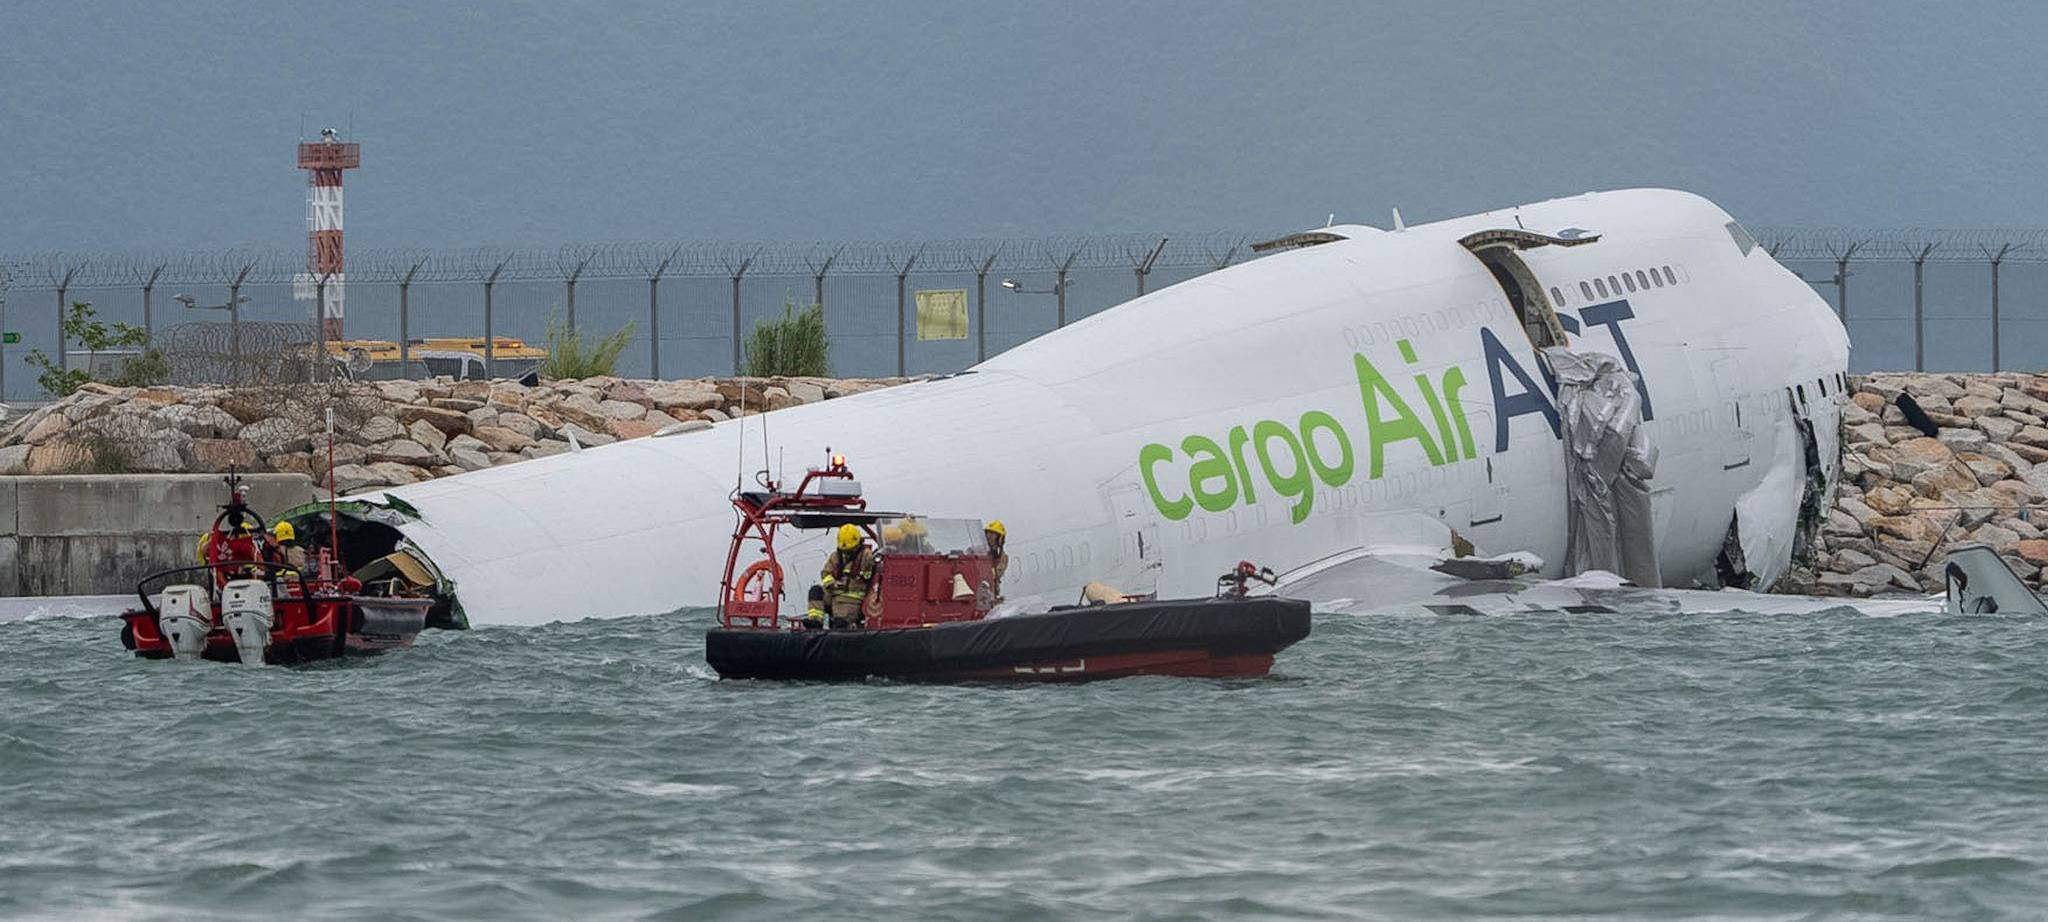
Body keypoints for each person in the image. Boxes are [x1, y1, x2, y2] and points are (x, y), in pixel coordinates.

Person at [819, 524, 875, 629]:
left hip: (851, 600)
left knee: (840, 624)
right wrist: (832, 583)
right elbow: (825, 573)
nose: (846, 554)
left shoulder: (865, 556)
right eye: (843, 551)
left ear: (858, 545)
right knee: (816, 592)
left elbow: (867, 576)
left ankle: (845, 624)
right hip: (834, 594)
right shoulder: (836, 556)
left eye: (850, 551)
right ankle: (815, 622)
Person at [984, 520, 1009, 603]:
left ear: (1000, 538)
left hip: (990, 594)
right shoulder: (976, 551)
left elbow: (995, 574)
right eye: (987, 533)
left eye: (992, 534)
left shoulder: (1003, 557)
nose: (989, 537)